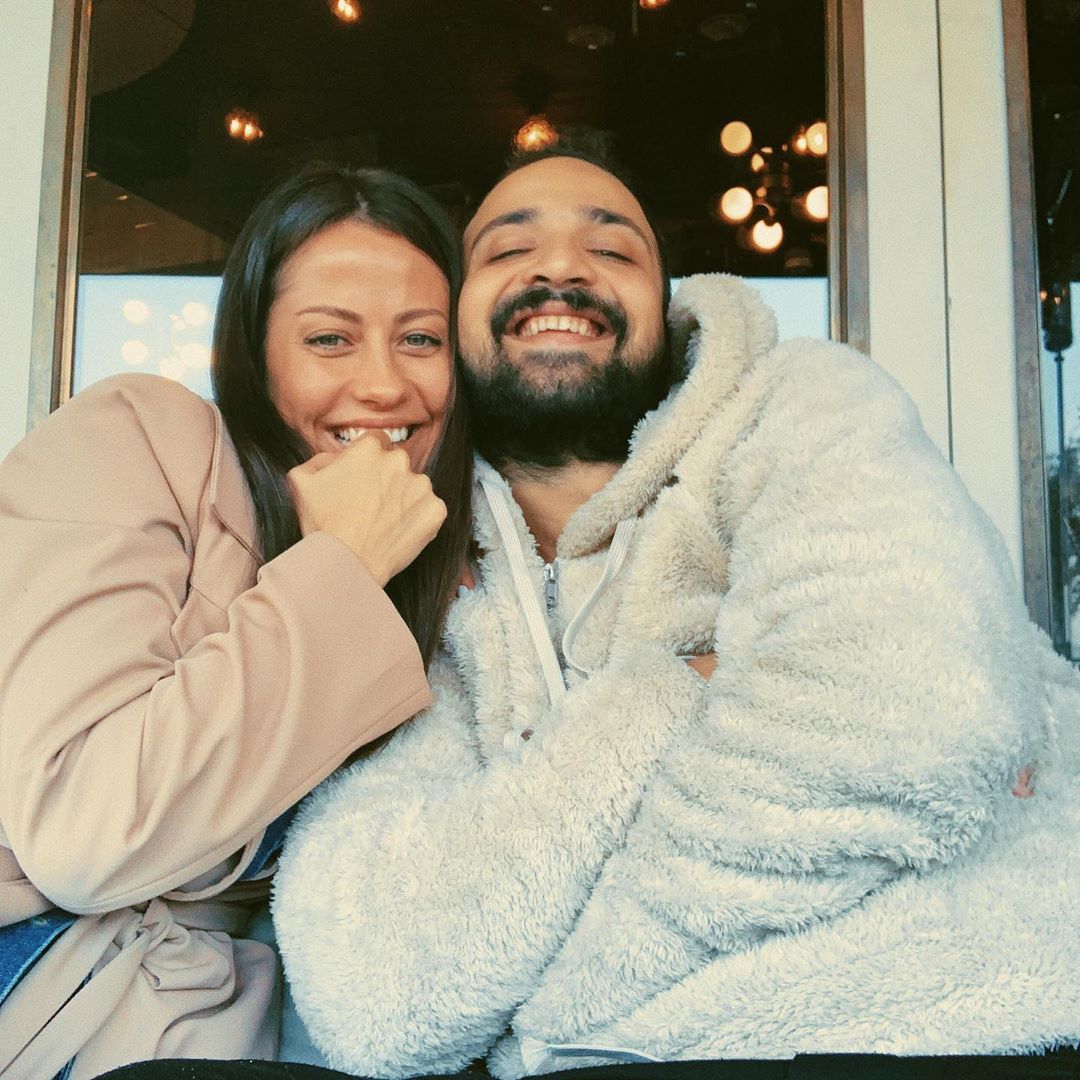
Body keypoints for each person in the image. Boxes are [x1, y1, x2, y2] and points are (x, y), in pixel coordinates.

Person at [109, 137, 1080, 1080]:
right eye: (509, 250)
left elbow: (911, 724)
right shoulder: (425, 591)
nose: (562, 268)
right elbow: (378, 991)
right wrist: (679, 691)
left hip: (964, 1021)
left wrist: (558, 1010)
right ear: (453, 332)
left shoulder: (803, 406)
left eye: (612, 248)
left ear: (668, 305)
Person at [0, 161, 472, 1078]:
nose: (383, 385)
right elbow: (82, 831)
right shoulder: (138, 436)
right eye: (330, 339)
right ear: (256, 355)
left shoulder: (455, 562)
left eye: (421, 339)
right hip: (48, 991)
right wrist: (343, 566)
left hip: (258, 1030)